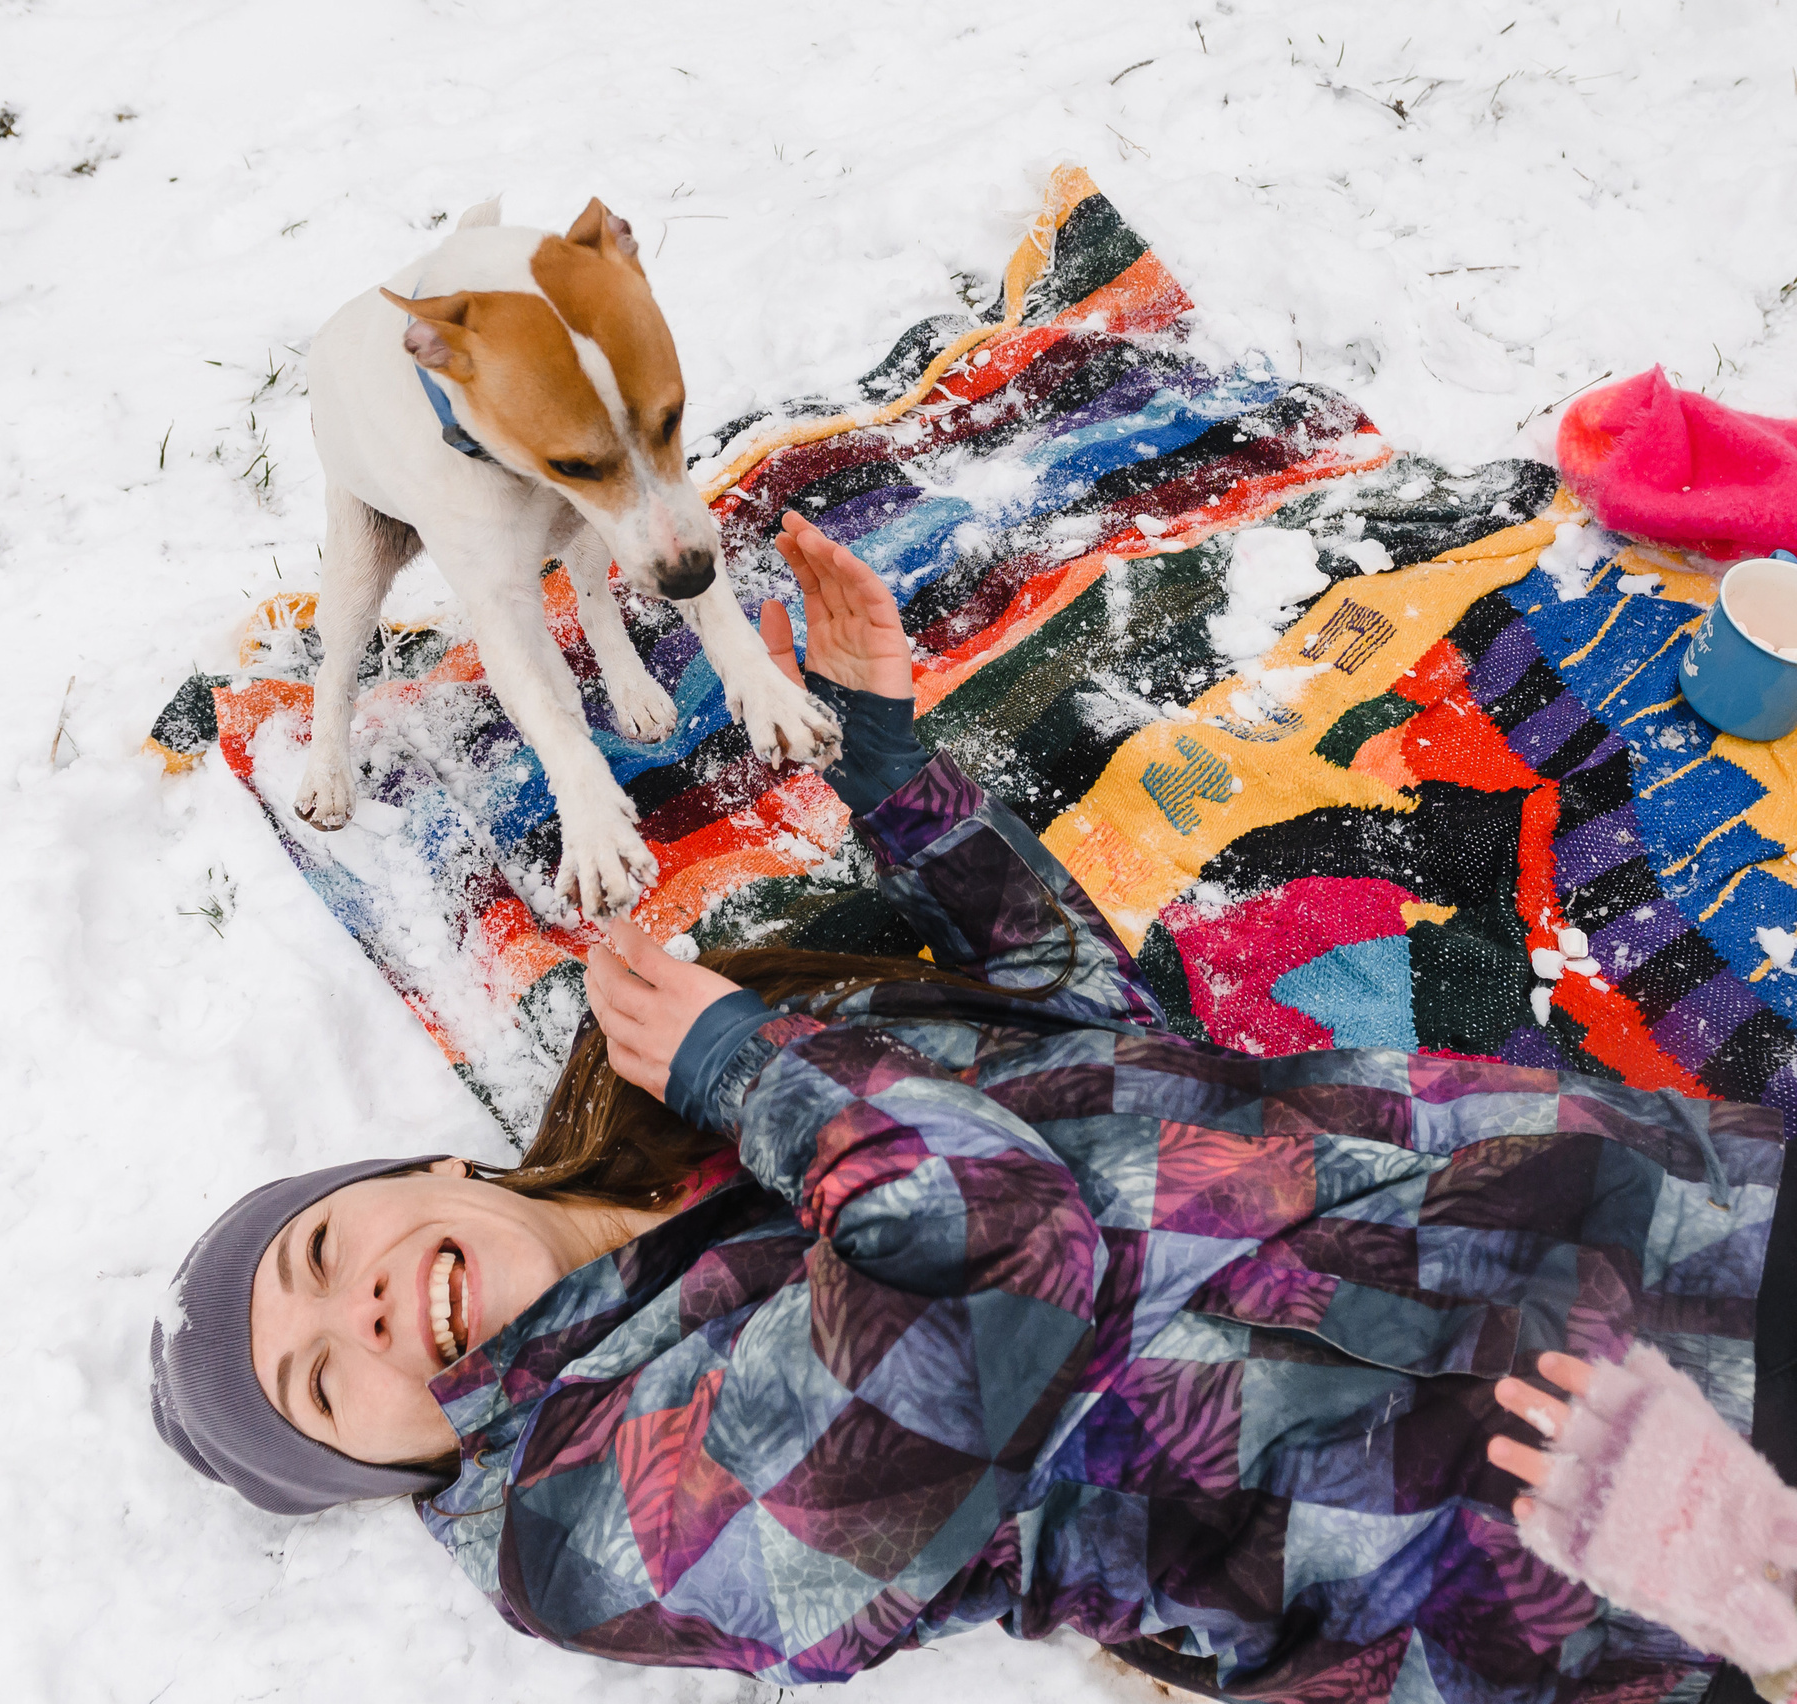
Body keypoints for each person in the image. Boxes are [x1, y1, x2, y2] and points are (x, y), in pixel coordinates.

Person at [152, 513, 1797, 1703]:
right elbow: (1002, 1259)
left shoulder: (682, 1114)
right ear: (394, 1463)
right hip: (1602, 1525)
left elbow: (1092, 1057)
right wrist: (754, 1069)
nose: (355, 1314)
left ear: (420, 1173)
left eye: (314, 1259)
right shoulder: (586, 1531)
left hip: (1666, 1210)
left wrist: (891, 762)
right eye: (319, 1387)